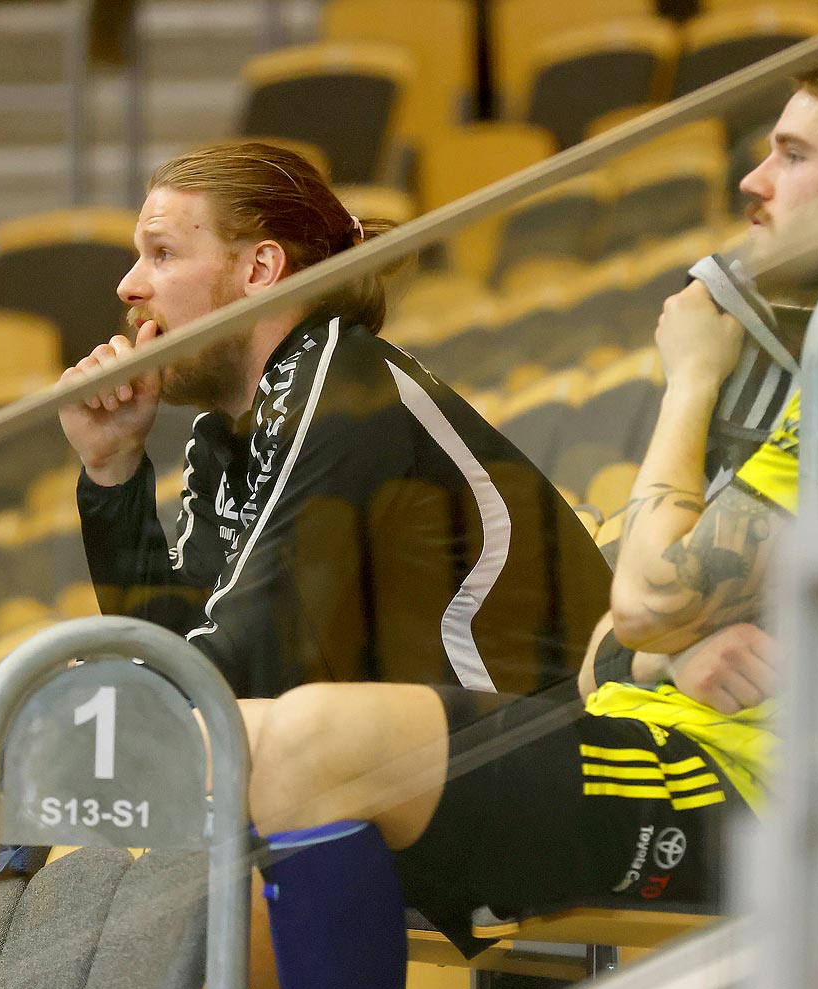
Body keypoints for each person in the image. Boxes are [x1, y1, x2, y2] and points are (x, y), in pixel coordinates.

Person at [234, 50, 818, 989]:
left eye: (790, 151)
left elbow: (645, 595)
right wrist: (666, 643)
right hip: (647, 737)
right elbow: (618, 634)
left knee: (309, 747)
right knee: (251, 745)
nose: (751, 182)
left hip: (750, 794)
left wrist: (688, 382)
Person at [60, 142, 613, 702]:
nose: (128, 286)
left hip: (547, 736)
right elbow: (178, 636)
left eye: (163, 254)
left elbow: (246, 670)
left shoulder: (342, 393)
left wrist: (121, 684)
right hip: (433, 756)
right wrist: (113, 469)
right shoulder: (228, 430)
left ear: (259, 269)